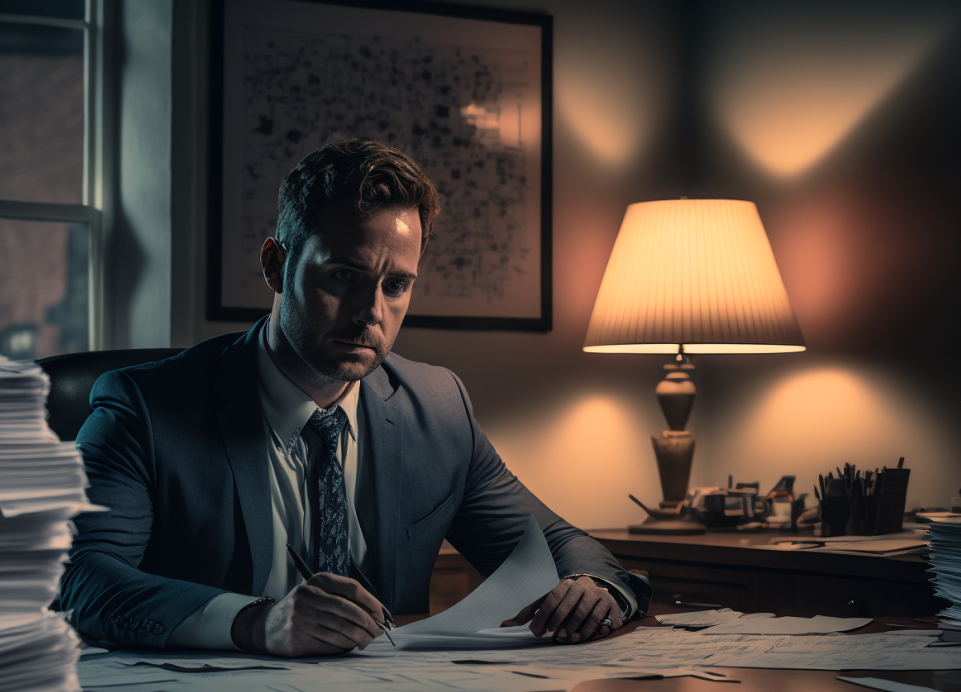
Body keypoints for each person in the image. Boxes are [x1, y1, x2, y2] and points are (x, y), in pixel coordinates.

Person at [61, 138, 651, 657]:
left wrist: (598, 589)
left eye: (395, 286)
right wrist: (255, 622)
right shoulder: (143, 407)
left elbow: (558, 543)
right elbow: (81, 580)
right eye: (342, 276)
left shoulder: (438, 408)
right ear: (276, 264)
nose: (371, 313)